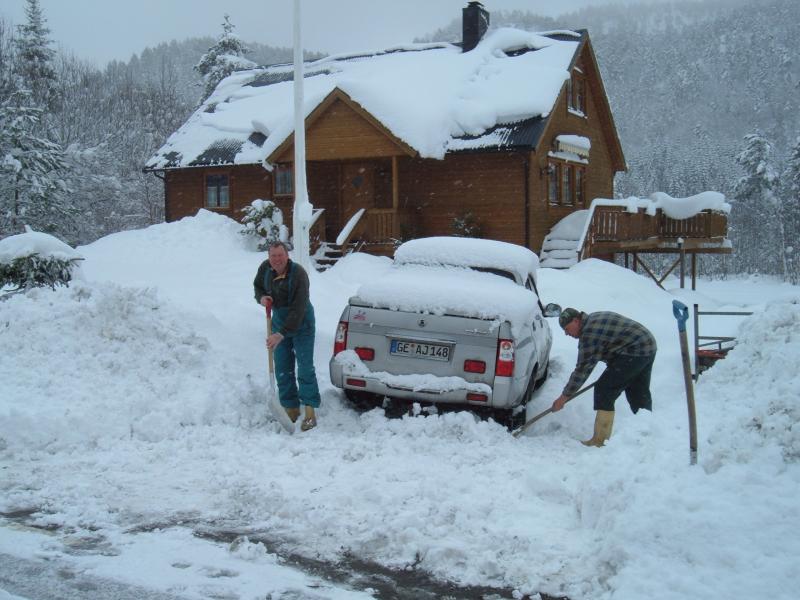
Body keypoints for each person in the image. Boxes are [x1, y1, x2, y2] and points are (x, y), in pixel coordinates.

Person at [551, 308, 657, 447]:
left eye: (566, 328)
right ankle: (647, 435)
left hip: (635, 350)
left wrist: (564, 397)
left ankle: (600, 441)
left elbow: (582, 370)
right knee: (638, 391)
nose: (566, 333)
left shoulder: (589, 334)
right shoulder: (591, 320)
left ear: (576, 321)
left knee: (604, 389)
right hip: (646, 345)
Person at [253, 241, 321, 431]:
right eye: (273, 256)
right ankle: (290, 407)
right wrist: (262, 298)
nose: (277, 260)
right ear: (269, 257)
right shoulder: (265, 269)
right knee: (282, 365)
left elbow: (298, 309)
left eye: (280, 255)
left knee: (305, 366)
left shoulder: (298, 274)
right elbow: (258, 287)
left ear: (287, 255)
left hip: (302, 321)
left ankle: (309, 409)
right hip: (278, 320)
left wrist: (281, 334)